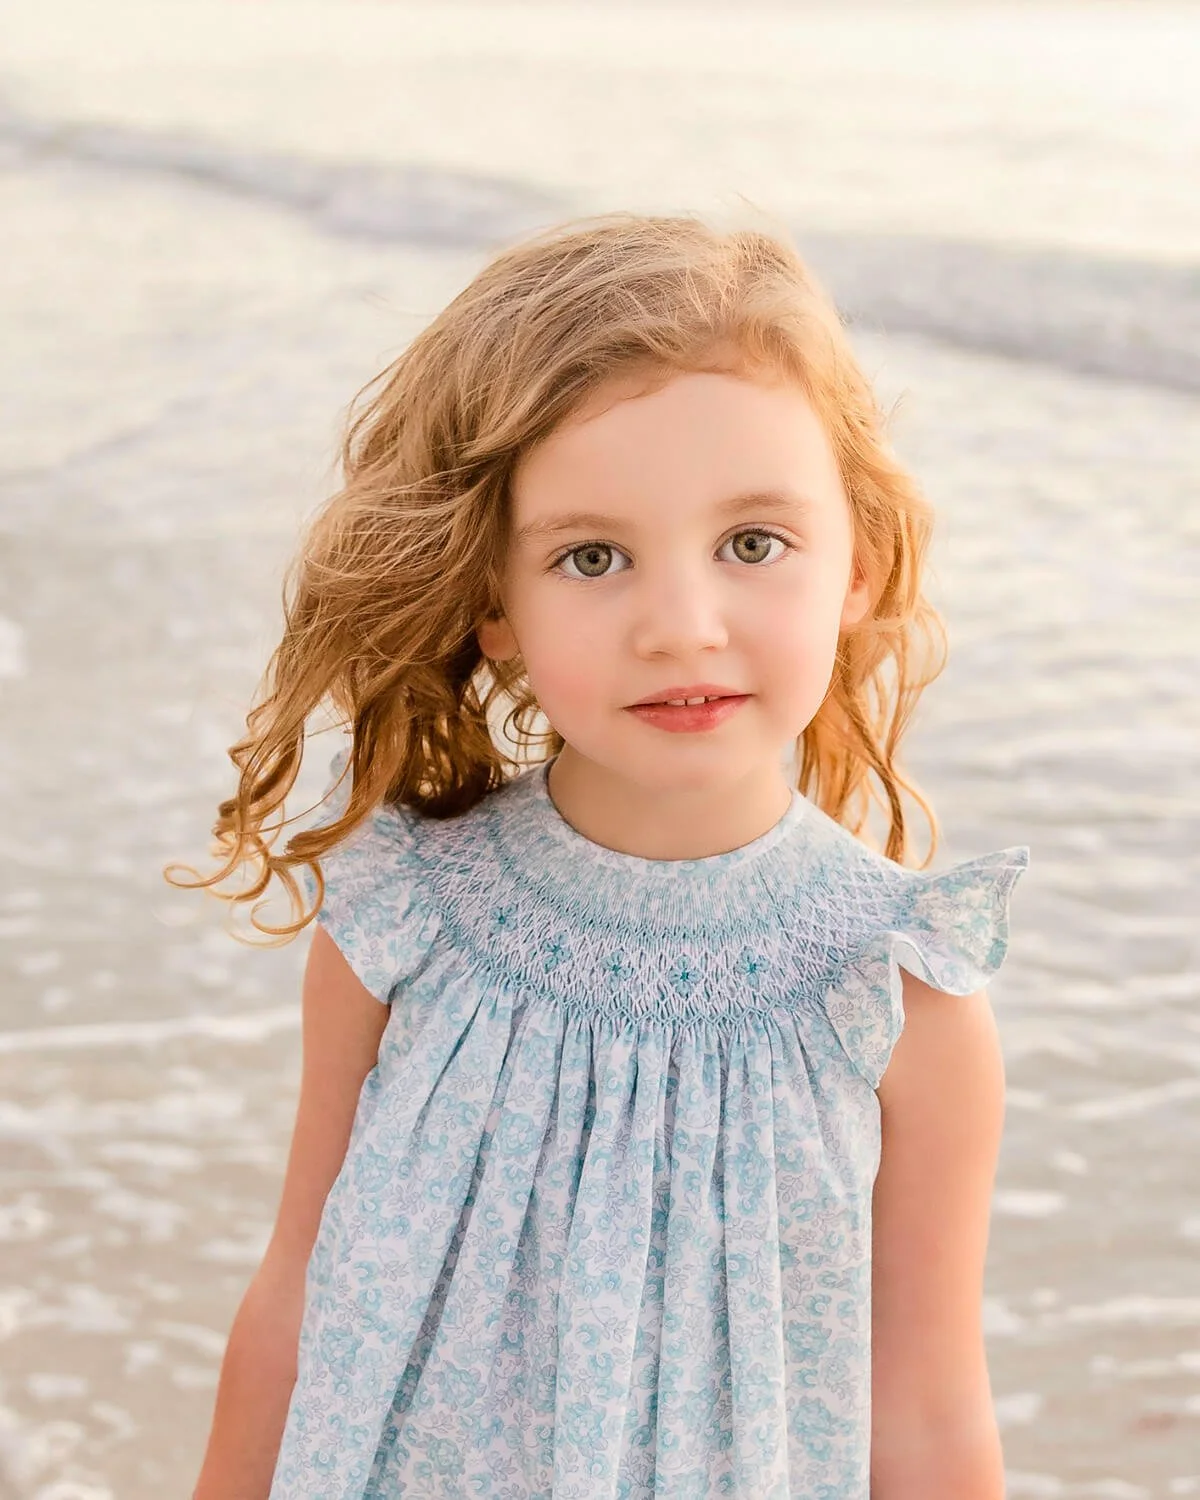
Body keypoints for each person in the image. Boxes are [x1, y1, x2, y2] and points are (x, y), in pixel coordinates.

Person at [176, 211, 1028, 1499]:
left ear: (860, 564)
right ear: (494, 606)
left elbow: (925, 1411)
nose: (681, 628)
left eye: (753, 544)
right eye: (592, 557)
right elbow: (300, 1287)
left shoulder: (900, 992)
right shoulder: (407, 916)